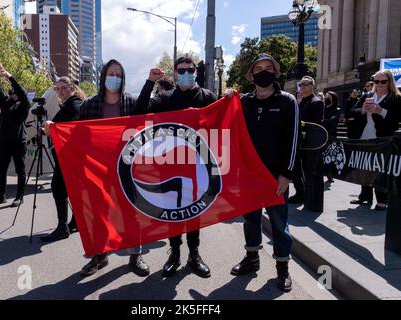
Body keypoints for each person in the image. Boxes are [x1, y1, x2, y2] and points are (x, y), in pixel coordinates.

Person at [136, 54, 217, 279]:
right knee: (172, 210)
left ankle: (194, 253)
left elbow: (221, 123)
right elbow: (139, 111)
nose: (185, 74)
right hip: (170, 163)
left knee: (194, 211)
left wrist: (230, 100)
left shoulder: (207, 96)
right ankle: (175, 253)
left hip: (198, 164)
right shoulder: (165, 98)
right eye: (180, 71)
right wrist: (150, 81)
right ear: (174, 74)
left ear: (196, 72)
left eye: (189, 70)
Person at [227, 53, 298, 292]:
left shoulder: (288, 101)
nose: (264, 72)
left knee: (280, 225)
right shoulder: (243, 102)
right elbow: (226, 127)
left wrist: (287, 174)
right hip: (248, 176)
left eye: (269, 67)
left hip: (275, 177)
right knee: (250, 220)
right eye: (259, 68)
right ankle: (252, 258)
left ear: (276, 72)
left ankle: (282, 268)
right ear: (251, 75)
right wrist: (226, 100)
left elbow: (293, 140)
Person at [77, 59, 150, 278]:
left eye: (119, 75)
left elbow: (148, 121)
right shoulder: (89, 105)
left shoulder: (131, 102)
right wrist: (53, 127)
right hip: (98, 168)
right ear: (103, 76)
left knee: (132, 212)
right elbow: (75, 134)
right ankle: (100, 255)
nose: (115, 78)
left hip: (127, 167)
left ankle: (135, 254)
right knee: (99, 212)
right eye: (111, 73)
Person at [41, 77, 85, 242]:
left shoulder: (74, 105)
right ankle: (75, 222)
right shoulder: (72, 104)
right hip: (71, 156)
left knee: (58, 188)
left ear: (72, 88)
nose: (60, 91)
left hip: (69, 156)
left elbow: (72, 129)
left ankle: (62, 227)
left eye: (63, 88)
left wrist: (52, 127)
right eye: (57, 89)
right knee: (72, 190)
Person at [349, 70, 401, 211]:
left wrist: (381, 111)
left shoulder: (395, 97)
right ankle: (365, 196)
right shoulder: (368, 95)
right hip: (365, 136)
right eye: (376, 81)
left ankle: (382, 200)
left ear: (389, 82)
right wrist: (363, 110)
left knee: (379, 169)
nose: (379, 84)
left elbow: (396, 119)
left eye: (383, 81)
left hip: (383, 139)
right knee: (364, 167)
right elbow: (352, 111)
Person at [0, 62, 31, 207]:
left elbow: (23, 94)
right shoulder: (5, 103)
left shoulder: (24, 105)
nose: (11, 93)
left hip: (18, 142)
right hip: (4, 141)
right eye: (10, 92)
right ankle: (1, 195)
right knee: (1, 169)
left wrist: (10, 77)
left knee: (20, 169)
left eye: (13, 92)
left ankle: (19, 196)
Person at [288, 76, 324, 206]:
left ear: (312, 86)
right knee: (296, 169)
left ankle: (306, 195)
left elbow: (317, 123)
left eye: (305, 84)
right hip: (298, 140)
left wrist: (302, 123)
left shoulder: (317, 101)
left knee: (307, 169)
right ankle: (299, 193)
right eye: (300, 85)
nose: (301, 87)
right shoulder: (299, 101)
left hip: (309, 142)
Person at [323, 91, 342, 183]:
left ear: (333, 99)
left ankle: (330, 174)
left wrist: (322, 120)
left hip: (331, 135)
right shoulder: (322, 108)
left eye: (328, 96)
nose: (326, 97)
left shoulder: (337, 110)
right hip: (321, 134)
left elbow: (333, 121)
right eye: (325, 96)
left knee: (330, 155)